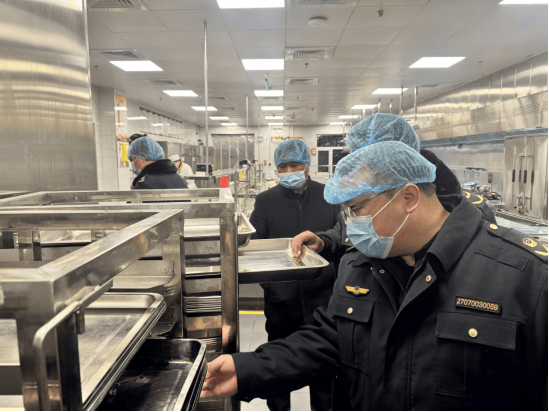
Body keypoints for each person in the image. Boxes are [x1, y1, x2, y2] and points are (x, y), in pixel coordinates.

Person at [200, 140, 547, 411]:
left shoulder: (525, 279)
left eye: (356, 209)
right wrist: (247, 369)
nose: (350, 224)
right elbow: (327, 341)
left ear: (408, 197)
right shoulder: (361, 265)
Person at [292, 113, 496, 269]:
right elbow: (349, 230)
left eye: (371, 161)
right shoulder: (365, 195)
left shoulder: (466, 215)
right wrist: (325, 242)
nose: (359, 169)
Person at [248, 138, 340, 411]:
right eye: (283, 167)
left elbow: (341, 240)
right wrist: (272, 287)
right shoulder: (265, 201)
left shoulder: (329, 196)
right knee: (278, 372)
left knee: (324, 372)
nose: (289, 171)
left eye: (295, 165)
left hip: (323, 301)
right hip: (282, 303)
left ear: (307, 165)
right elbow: (253, 247)